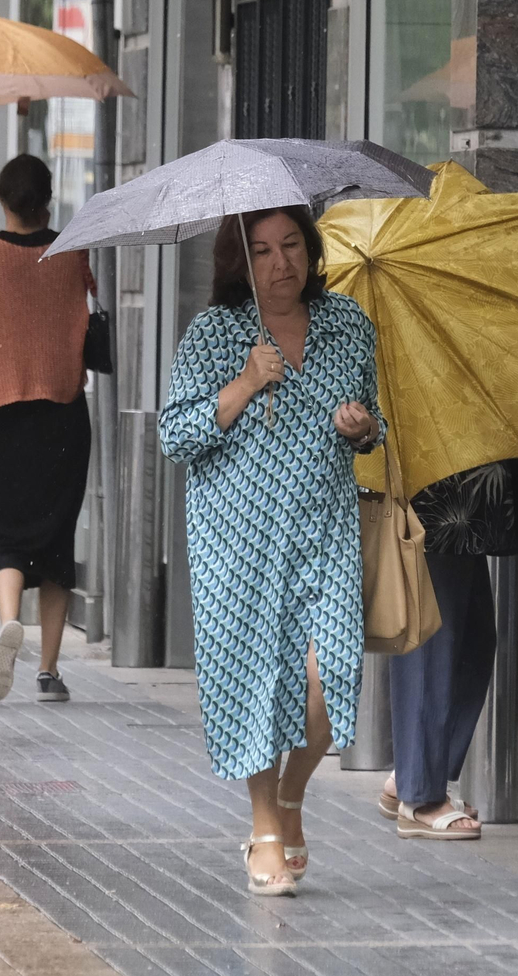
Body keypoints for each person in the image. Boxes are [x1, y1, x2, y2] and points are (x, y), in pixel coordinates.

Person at [159, 207, 383, 897]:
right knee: (256, 679)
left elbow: (369, 424)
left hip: (325, 530)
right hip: (239, 540)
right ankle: (263, 829)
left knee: (329, 673)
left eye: (291, 246)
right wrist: (246, 383)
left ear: (311, 251)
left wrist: (361, 427)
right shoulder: (215, 335)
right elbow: (175, 435)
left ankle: (291, 796)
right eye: (262, 251)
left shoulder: (348, 325)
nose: (280, 263)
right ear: (240, 262)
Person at [0, 155, 94, 704]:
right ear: (49, 198)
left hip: (5, 417)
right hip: (64, 415)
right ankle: (49, 672)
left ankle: (10, 621)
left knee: (7, 534)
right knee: (56, 542)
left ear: (3, 201)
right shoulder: (72, 249)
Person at [377, 474, 493, 838]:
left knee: (475, 639)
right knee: (430, 638)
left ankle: (415, 774)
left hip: (461, 484)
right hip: (429, 484)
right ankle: (420, 797)